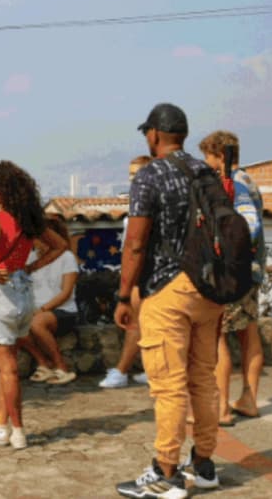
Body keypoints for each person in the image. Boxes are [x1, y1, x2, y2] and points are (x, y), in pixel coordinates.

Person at [115, 103, 223, 498]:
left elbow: (136, 242)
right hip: (209, 289)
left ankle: (167, 473)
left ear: (155, 135)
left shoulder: (150, 175)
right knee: (203, 379)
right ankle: (204, 465)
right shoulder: (205, 172)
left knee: (169, 386)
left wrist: (124, 295)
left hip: (168, 288)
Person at [0, 161, 67, 450]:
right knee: (6, 364)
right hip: (23, 290)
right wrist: (31, 267)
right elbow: (60, 245)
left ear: (2, 188)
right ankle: (0, 425)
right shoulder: (29, 220)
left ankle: (18, 431)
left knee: (7, 367)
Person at [199, 130, 266, 426]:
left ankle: (222, 408)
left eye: (208, 157)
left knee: (219, 337)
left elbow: (248, 225)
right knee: (249, 334)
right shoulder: (249, 181)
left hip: (234, 272)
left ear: (219, 155)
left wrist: (225, 252)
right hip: (252, 270)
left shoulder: (235, 183)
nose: (206, 163)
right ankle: (248, 399)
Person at [99, 155, 154, 388]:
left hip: (144, 277)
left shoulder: (143, 209)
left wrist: (129, 285)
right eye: (131, 175)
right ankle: (152, 370)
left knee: (135, 325)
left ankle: (121, 371)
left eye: (137, 174)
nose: (133, 179)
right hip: (146, 277)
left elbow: (135, 248)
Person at [20, 215, 80, 386]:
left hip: (63, 311)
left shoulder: (67, 258)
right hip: (36, 310)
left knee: (37, 323)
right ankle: (43, 364)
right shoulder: (31, 258)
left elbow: (66, 292)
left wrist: (43, 309)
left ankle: (62, 367)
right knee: (13, 324)